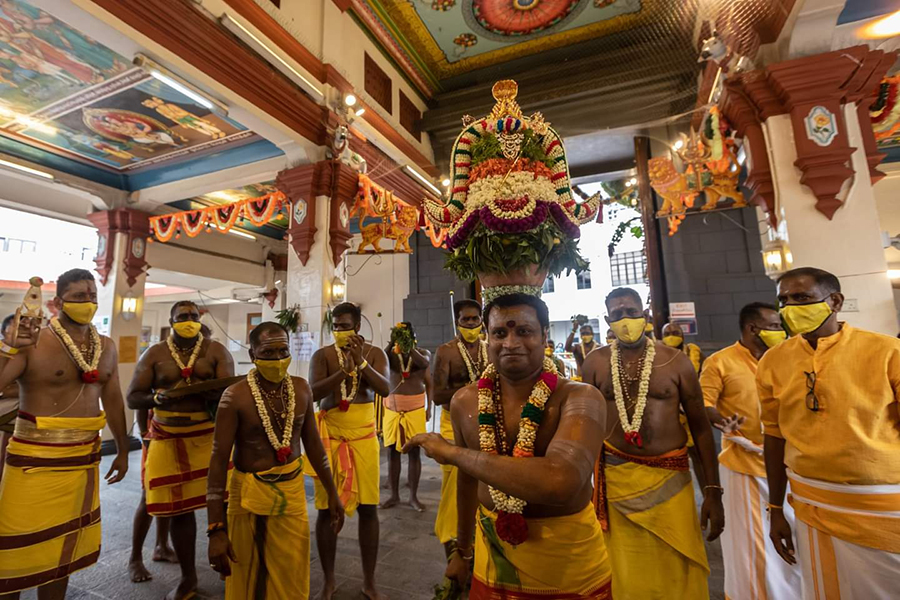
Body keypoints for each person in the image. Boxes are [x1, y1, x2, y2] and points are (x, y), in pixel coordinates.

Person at [407, 294, 612, 598]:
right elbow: (467, 482)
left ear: (544, 335)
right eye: (500, 333)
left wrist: (452, 452)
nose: (510, 342)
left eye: (524, 332)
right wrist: (463, 551)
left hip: (568, 567)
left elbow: (561, 481)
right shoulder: (465, 401)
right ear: (488, 338)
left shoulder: (580, 398)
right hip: (491, 560)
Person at [758, 267, 900, 599]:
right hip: (812, 503)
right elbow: (774, 437)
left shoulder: (886, 352)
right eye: (784, 300)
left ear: (834, 301)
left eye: (802, 298)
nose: (790, 307)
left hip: (882, 503)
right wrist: (776, 510)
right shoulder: (773, 361)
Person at [582, 287, 723, 600]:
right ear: (607, 320)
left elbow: (700, 429)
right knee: (623, 570)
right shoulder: (594, 363)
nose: (626, 320)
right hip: (615, 480)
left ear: (644, 315)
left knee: (678, 561)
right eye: (617, 315)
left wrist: (713, 492)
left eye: (632, 312)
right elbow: (583, 426)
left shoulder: (676, 362)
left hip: (671, 480)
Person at [0, 268, 129, 599]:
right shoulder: (35, 342)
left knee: (63, 553)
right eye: (79, 297)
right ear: (57, 303)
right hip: (33, 462)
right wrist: (8, 348)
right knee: (13, 550)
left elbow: (112, 398)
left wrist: (124, 450)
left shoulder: (106, 346)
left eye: (92, 297)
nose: (87, 303)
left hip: (82, 461)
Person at [208, 322, 344, 599]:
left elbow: (315, 448)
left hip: (291, 493)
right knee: (247, 575)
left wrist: (332, 493)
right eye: (269, 353)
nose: (278, 359)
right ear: (253, 353)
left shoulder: (301, 388)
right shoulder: (235, 396)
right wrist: (215, 528)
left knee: (292, 572)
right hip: (246, 496)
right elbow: (219, 460)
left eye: (284, 350)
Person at [126, 300, 234, 600]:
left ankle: (229, 567)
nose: (189, 320)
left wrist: (213, 392)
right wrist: (157, 403)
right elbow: (134, 397)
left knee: (223, 503)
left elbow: (229, 390)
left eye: (193, 316)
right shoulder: (156, 354)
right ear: (172, 321)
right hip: (166, 435)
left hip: (206, 435)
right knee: (176, 509)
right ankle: (187, 578)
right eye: (182, 317)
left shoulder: (216, 351)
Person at [702, 302, 800, 599]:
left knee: (795, 542)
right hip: (744, 467)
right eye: (774, 327)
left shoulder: (788, 358)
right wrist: (722, 420)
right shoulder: (720, 362)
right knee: (755, 545)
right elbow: (704, 403)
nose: (780, 332)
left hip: (789, 464)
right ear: (752, 329)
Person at [308, 302, 390, 600]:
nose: (341, 331)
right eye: (337, 326)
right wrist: (343, 372)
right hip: (330, 435)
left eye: (346, 325)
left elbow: (385, 389)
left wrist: (361, 364)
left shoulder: (375, 354)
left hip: (364, 436)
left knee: (369, 508)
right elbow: (313, 393)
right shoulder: (322, 355)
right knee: (324, 508)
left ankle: (369, 581)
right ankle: (328, 581)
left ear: (358, 326)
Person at [431, 299, 486, 556]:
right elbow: (438, 395)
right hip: (452, 424)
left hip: (484, 424)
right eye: (466, 320)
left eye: (475, 319)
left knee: (482, 484)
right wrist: (471, 391)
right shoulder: (446, 352)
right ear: (458, 323)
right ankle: (452, 545)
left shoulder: (490, 349)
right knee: (453, 490)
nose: (472, 324)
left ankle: (477, 544)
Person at [381, 322, 431, 512]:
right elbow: (382, 358)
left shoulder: (423, 353)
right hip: (393, 407)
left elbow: (424, 364)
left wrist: (409, 347)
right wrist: (392, 342)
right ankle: (394, 495)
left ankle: (413, 497)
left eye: (406, 336)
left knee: (414, 452)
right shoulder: (391, 355)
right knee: (392, 452)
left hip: (415, 408)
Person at [128, 404, 176, 583]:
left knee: (169, 488)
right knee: (149, 494)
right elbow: (139, 399)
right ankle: (135, 558)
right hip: (155, 432)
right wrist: (144, 434)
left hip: (178, 432)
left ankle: (162, 546)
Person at [0, 315, 19, 482]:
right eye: (16, 327)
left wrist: (5, 392)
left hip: (20, 431)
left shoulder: (32, 355)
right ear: (4, 332)